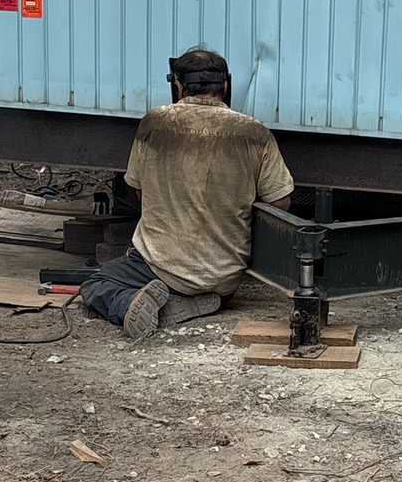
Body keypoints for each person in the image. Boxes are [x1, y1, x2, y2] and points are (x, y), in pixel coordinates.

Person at [78, 47, 293, 341]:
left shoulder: (153, 124)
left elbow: (140, 193)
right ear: (226, 86)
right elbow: (281, 202)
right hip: (224, 281)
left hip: (160, 269)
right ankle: (189, 304)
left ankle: (136, 304)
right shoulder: (254, 132)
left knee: (95, 284)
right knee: (211, 285)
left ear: (177, 86)